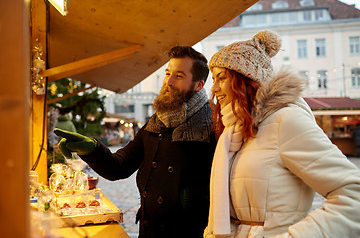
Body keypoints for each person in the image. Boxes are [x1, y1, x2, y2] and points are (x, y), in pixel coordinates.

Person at [204, 30, 360, 238]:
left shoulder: (285, 121)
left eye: (221, 78)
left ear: (247, 79)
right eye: (213, 79)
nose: (213, 89)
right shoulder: (235, 133)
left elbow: (353, 194)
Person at [54, 46, 216, 238]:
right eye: (167, 73)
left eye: (179, 76)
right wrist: (92, 149)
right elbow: (119, 167)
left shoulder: (212, 125)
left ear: (198, 85)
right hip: (150, 231)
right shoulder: (156, 122)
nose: (168, 82)